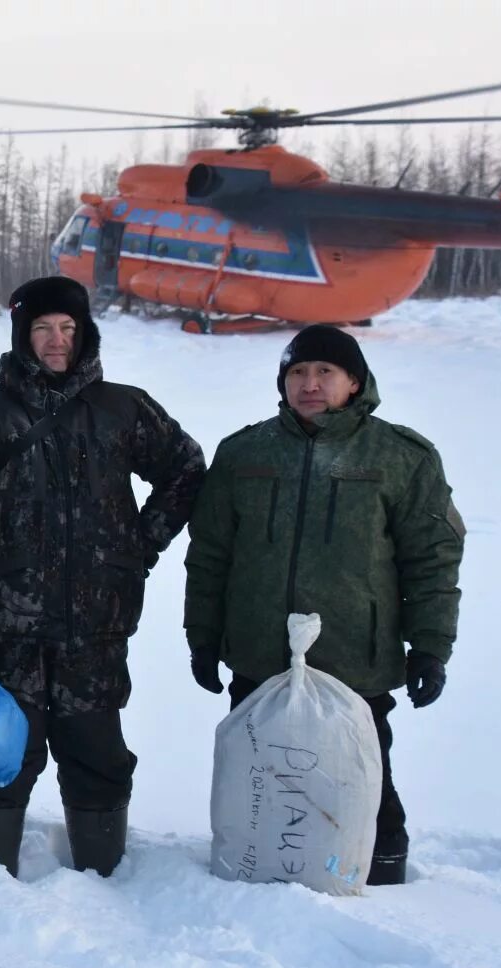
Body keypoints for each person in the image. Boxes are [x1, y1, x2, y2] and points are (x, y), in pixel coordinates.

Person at [0, 276, 204, 878]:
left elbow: (186, 471)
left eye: (68, 329)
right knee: (4, 756)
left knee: (97, 752)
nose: (56, 341)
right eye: (43, 328)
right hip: (9, 630)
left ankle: (106, 877)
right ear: (21, 335)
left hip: (96, 625)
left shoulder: (122, 409)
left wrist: (138, 545)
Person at [184, 324, 463, 886]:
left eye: (324, 372)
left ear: (353, 382)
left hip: (354, 656)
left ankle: (378, 871)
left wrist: (431, 647)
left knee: (361, 770)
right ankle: (262, 864)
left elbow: (433, 559)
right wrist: (203, 637)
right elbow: (210, 554)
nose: (310, 384)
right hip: (260, 650)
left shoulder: (401, 456)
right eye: (297, 373)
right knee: (261, 769)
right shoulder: (244, 452)